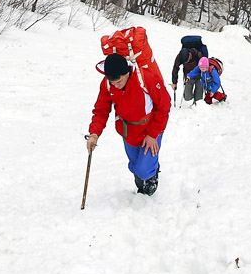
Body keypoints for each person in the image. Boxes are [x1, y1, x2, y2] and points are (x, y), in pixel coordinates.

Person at [87, 53, 171, 196]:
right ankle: (142, 181)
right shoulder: (107, 83)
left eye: (118, 81)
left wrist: (153, 134)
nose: (115, 85)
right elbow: (101, 110)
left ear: (127, 72)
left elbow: (164, 106)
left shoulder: (147, 79)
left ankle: (152, 173)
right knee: (134, 166)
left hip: (149, 129)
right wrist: (94, 134)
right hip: (128, 131)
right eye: (112, 82)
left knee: (143, 170)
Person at [171, 37, 208, 105]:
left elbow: (205, 66)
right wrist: (174, 82)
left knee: (198, 99)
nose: (186, 62)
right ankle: (193, 98)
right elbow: (175, 68)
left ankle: (196, 102)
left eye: (187, 60)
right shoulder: (180, 57)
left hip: (199, 76)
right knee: (187, 97)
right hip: (188, 76)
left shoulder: (198, 55)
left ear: (190, 55)